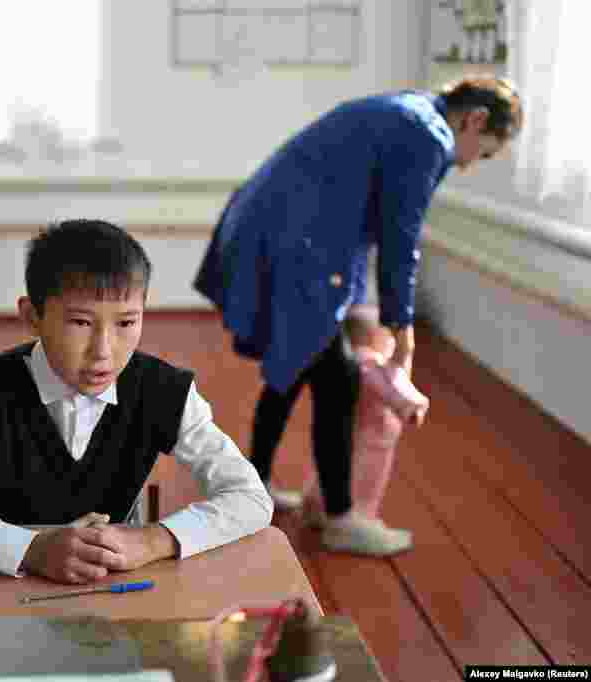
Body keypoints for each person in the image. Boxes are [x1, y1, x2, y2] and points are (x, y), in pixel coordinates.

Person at [194, 76, 522, 556]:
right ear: (474, 120)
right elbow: (400, 238)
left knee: (297, 363)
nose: (471, 163)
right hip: (294, 242)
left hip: (268, 225)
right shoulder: (428, 135)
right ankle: (341, 517)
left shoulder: (406, 110)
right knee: (338, 377)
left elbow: (357, 212)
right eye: (485, 151)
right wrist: (402, 332)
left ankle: (253, 485)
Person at [0, 219, 273, 584]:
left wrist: (153, 540)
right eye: (80, 323)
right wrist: (32, 549)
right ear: (32, 316)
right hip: (7, 586)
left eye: (126, 323)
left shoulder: (165, 389)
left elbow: (251, 497)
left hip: (119, 586)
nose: (103, 352)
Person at [294, 305, 429, 549]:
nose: (390, 344)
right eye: (387, 338)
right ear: (373, 339)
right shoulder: (370, 363)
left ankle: (316, 506)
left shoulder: (347, 364)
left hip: (353, 433)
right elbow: (389, 389)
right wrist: (410, 406)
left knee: (331, 468)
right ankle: (356, 521)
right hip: (372, 443)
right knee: (363, 485)